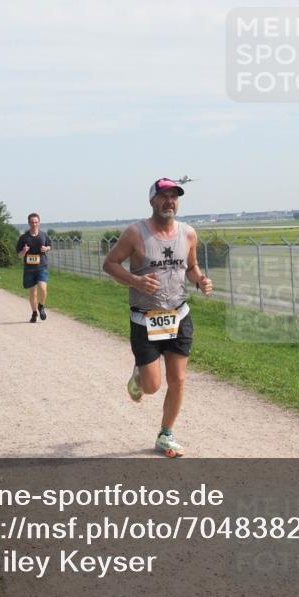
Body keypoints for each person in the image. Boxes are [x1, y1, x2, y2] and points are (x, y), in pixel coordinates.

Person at [103, 178, 213, 457]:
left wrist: (200, 280)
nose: (169, 202)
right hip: (145, 318)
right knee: (152, 386)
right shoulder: (135, 233)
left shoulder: (188, 234)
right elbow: (110, 263)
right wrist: (134, 281)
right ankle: (139, 377)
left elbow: (192, 267)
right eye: (164, 196)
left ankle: (165, 433)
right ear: (152, 201)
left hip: (178, 314)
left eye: (174, 197)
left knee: (178, 379)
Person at [16, 213, 52, 322]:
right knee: (32, 292)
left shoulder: (43, 235)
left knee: (42, 287)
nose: (34, 224)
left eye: (36, 222)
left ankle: (41, 306)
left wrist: (46, 249)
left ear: (39, 222)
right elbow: (19, 255)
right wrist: (24, 251)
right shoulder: (24, 238)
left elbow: (49, 246)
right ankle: (34, 313)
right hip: (29, 269)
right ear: (29, 223)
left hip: (42, 266)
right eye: (32, 222)